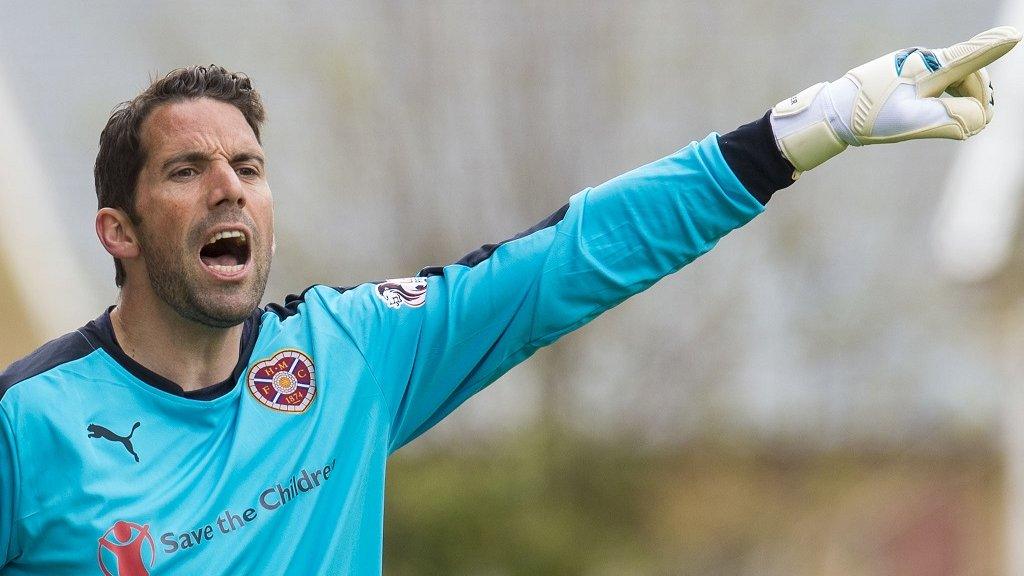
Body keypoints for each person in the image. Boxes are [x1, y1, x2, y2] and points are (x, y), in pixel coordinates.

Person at [0, 26, 1018, 575]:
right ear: (118, 233)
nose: (229, 186)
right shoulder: (27, 422)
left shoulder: (345, 355)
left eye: (250, 164)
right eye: (187, 169)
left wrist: (814, 125)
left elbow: (565, 261)